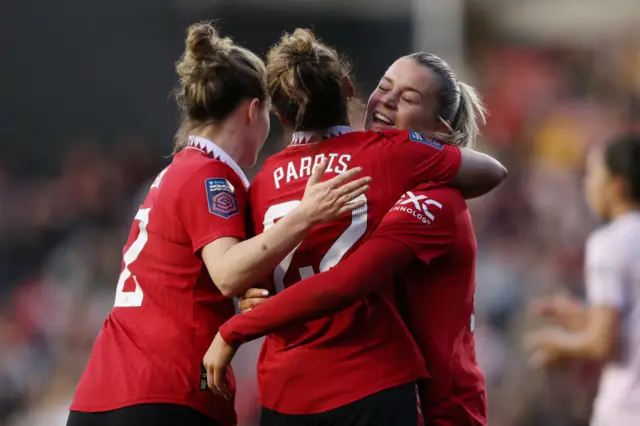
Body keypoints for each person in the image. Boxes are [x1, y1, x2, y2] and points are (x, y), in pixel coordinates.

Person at [66, 22, 370, 426]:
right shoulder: (210, 177)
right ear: (252, 110)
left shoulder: (177, 171)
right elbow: (226, 272)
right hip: (167, 392)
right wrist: (307, 213)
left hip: (103, 392)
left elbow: (199, 279)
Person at [203, 29, 503, 426]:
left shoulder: (263, 182)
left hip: (440, 409)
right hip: (373, 386)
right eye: (384, 87)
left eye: (409, 98)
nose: (388, 101)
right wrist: (257, 297)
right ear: (350, 89)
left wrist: (246, 317)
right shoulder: (390, 160)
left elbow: (345, 281)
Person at [525, 133, 640, 426]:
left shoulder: (609, 243)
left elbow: (603, 344)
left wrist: (559, 344)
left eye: (593, 174)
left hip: (626, 408)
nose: (588, 184)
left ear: (617, 185)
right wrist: (583, 320)